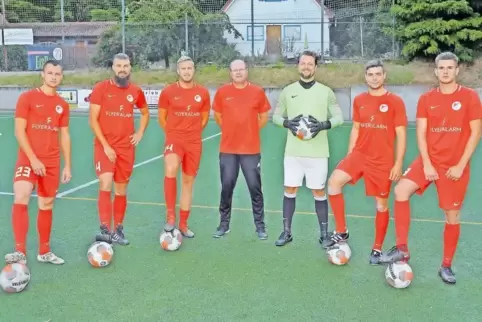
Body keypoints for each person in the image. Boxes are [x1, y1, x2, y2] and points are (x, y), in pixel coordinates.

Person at [380, 52, 482, 285]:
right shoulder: (426, 99)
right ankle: (403, 249)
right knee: (401, 191)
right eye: (441, 68)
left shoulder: (469, 97)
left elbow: (476, 133)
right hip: (430, 160)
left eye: (450, 67)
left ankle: (446, 265)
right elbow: (422, 133)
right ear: (435, 71)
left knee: (452, 216)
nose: (445, 71)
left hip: (455, 167)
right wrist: (426, 163)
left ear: (457, 70)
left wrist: (460, 165)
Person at [324, 60, 408, 264]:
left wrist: (397, 164)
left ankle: (377, 249)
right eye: (370, 74)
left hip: (382, 161)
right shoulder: (360, 99)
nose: (374, 78)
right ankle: (342, 231)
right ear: (365, 77)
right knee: (334, 182)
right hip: (359, 155)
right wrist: (350, 154)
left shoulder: (395, 101)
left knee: (381, 205)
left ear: (384, 76)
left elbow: (401, 134)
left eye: (378, 74)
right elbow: (356, 128)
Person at [273, 50, 344, 247]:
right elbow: (276, 117)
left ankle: (323, 234)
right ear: (298, 66)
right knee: (290, 188)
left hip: (318, 152)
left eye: (310, 64)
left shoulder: (326, 92)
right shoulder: (288, 91)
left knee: (318, 191)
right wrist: (287, 123)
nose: (306, 66)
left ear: (315, 67)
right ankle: (287, 233)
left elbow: (339, 118)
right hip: (293, 152)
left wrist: (323, 125)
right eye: (303, 63)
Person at [5, 60, 71, 265]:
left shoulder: (63, 104)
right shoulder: (27, 98)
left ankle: (44, 251)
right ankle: (20, 251)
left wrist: (67, 164)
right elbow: (19, 131)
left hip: (52, 162)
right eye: (50, 73)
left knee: (46, 204)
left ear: (61, 77)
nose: (53, 76)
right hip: (28, 158)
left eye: (57, 74)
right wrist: (33, 159)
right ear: (42, 74)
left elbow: (64, 136)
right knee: (21, 195)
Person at [89, 53, 150, 245]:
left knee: (121, 190)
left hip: (126, 148)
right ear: (113, 67)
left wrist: (140, 132)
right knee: (105, 182)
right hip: (105, 146)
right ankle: (105, 229)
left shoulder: (136, 91)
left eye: (125, 66)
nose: (122, 69)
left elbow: (145, 112)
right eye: (118, 66)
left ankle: (119, 230)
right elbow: (93, 120)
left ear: (130, 68)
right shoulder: (101, 88)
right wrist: (106, 146)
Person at [212, 59, 271, 239]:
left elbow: (263, 117)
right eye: (234, 70)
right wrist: (232, 130)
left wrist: (249, 131)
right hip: (228, 149)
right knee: (227, 187)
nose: (238, 72)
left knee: (255, 187)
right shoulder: (222, 92)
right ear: (230, 73)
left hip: (251, 150)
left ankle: (260, 226)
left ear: (247, 71)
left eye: (241, 69)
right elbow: (218, 116)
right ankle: (224, 224)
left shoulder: (257, 92)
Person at [158, 56, 211, 237]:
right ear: (178, 71)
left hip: (194, 142)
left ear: (193, 70)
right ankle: (170, 217)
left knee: (188, 183)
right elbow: (162, 117)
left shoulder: (203, 93)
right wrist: (174, 133)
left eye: (190, 68)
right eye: (184, 68)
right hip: (174, 139)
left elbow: (204, 118)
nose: (187, 71)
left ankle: (183, 224)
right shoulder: (168, 92)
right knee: (171, 168)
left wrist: (192, 132)